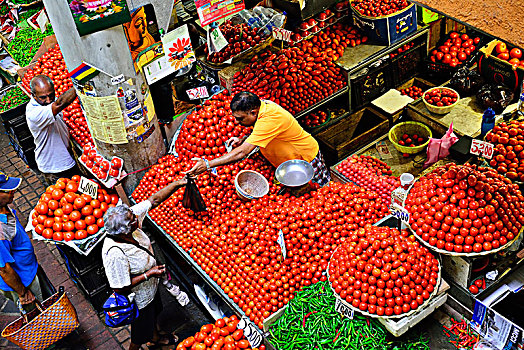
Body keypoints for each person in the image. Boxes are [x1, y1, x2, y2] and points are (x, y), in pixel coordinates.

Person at [102, 177, 188, 350]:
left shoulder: (128, 223)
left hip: (151, 289)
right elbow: (119, 287)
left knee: (154, 314)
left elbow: (153, 200)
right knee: (140, 332)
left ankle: (155, 338)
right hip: (139, 299)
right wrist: (149, 274)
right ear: (125, 230)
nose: (136, 216)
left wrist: (177, 183)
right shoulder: (115, 254)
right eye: (133, 218)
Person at [187, 91, 331, 186]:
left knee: (320, 190)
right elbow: (260, 132)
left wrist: (207, 165)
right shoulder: (261, 108)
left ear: (253, 112)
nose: (237, 123)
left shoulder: (269, 118)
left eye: (240, 119)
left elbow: (241, 153)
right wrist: (243, 138)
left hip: (305, 159)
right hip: (288, 161)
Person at [26, 75, 80, 186]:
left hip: (64, 159)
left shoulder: (47, 102)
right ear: (33, 95)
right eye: (43, 97)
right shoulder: (34, 113)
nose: (49, 100)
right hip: (55, 167)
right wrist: (79, 85)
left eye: (51, 95)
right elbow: (59, 104)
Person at [0, 172, 42, 312]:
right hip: (23, 280)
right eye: (7, 190)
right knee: (37, 316)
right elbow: (4, 270)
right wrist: (23, 293)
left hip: (28, 269)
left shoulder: (4, 207)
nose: (13, 192)